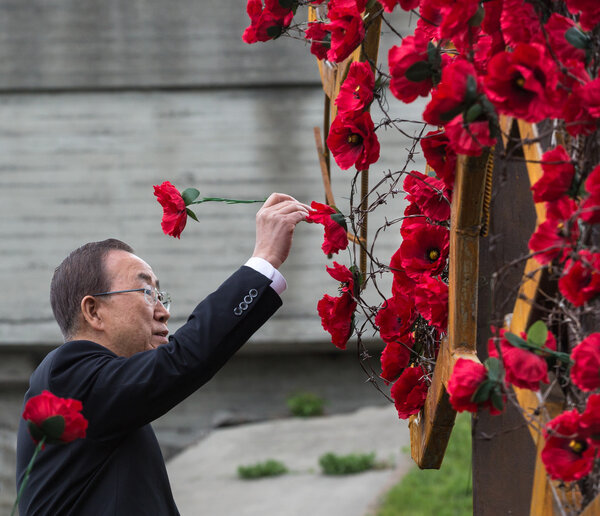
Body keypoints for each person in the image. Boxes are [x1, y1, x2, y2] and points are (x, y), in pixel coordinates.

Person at [16, 193, 309, 515]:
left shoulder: (107, 401)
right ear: (93, 311)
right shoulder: (67, 376)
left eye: (161, 295)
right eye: (146, 292)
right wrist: (264, 260)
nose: (163, 312)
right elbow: (183, 359)